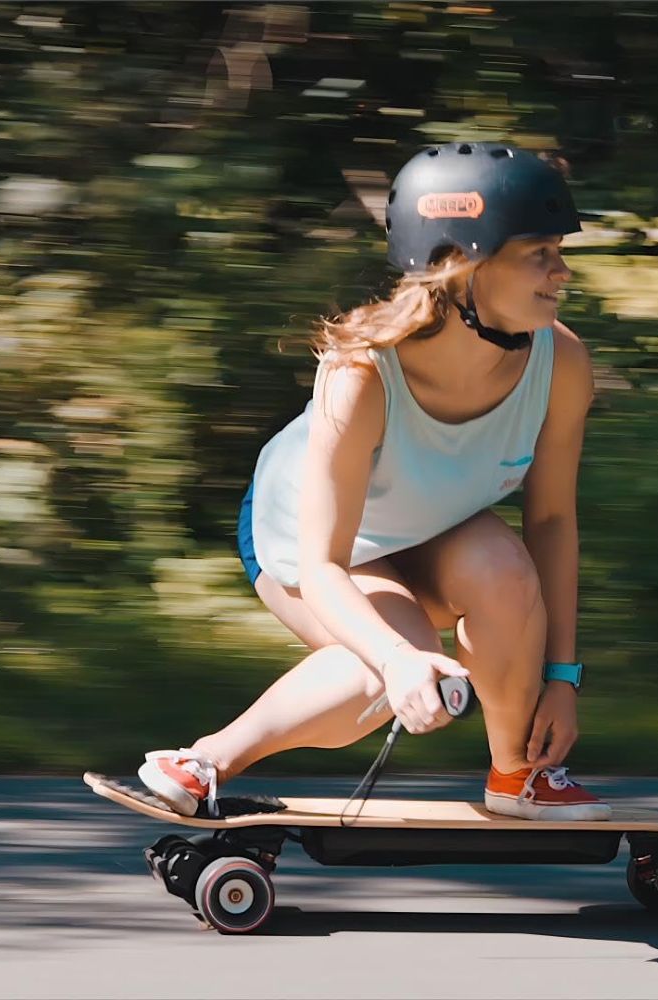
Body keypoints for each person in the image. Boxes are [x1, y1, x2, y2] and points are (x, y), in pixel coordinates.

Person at [139, 141, 611, 822]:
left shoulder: (561, 363)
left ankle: (520, 777)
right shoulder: (361, 373)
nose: (562, 272)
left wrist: (561, 679)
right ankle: (202, 762)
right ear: (462, 264)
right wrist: (395, 659)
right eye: (540, 253)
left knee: (503, 568)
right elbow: (324, 563)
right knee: (383, 664)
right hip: (316, 535)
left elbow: (551, 525)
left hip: (432, 522)